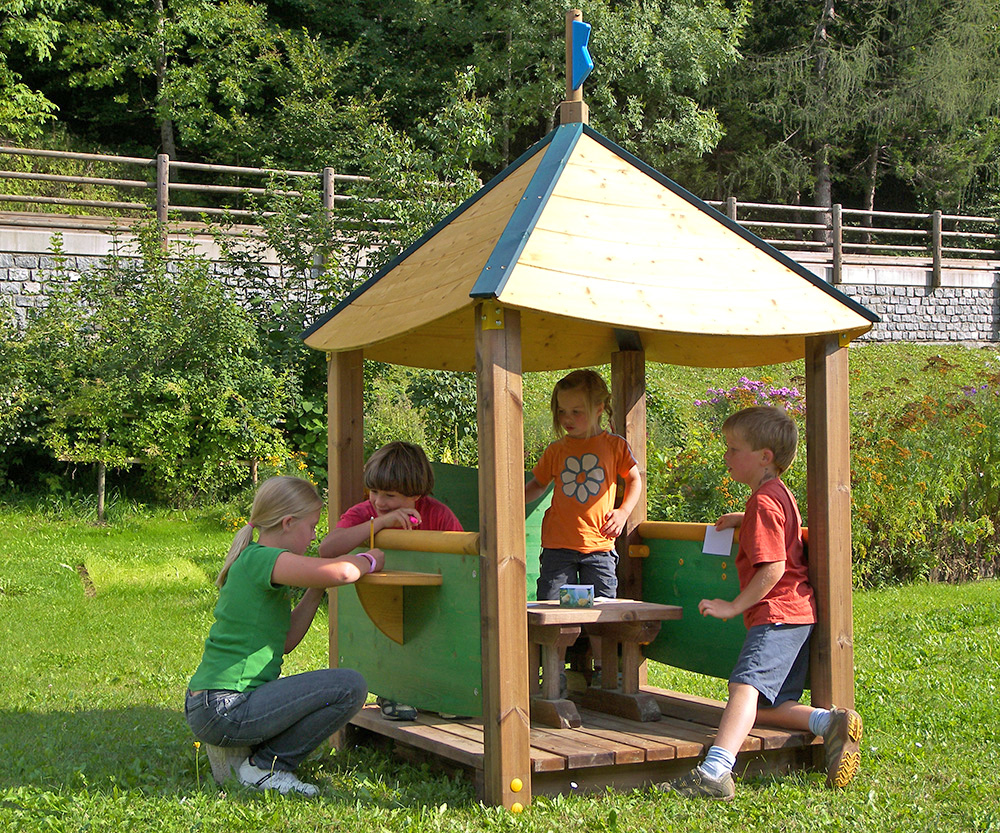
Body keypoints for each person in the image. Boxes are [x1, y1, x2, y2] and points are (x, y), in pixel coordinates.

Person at [657, 406, 862, 801]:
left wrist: (733, 606)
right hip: (795, 614)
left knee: (743, 687)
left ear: (764, 456)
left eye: (734, 449)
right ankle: (829, 723)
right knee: (769, 705)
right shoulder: (773, 496)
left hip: (777, 613)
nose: (726, 456)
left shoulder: (764, 504)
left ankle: (715, 772)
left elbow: (772, 568)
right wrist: (742, 517)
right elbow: (778, 528)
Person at [185, 476, 385, 797]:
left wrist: (316, 586)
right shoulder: (264, 559)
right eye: (312, 526)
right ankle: (266, 767)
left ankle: (242, 756)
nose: (314, 536)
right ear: (289, 523)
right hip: (226, 707)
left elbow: (286, 640)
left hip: (213, 706)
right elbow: (344, 572)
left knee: (341, 686)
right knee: (350, 687)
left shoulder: (254, 560)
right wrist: (372, 559)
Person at [318, 441, 462, 720]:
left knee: (434, 638)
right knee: (391, 638)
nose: (379, 502)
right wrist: (379, 524)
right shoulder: (365, 513)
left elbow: (461, 555)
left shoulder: (438, 514)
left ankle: (441, 692)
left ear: (416, 494)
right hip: (381, 603)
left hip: (430, 599)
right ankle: (394, 691)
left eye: (390, 495)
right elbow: (328, 548)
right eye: (374, 492)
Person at [525, 369, 642, 688]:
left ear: (599, 409)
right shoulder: (556, 450)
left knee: (602, 613)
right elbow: (537, 484)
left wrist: (623, 511)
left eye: (576, 411)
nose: (567, 418)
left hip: (599, 547)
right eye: (562, 411)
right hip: (559, 548)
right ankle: (553, 673)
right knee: (556, 612)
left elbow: (634, 479)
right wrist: (512, 501)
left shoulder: (614, 446)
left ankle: (608, 675)